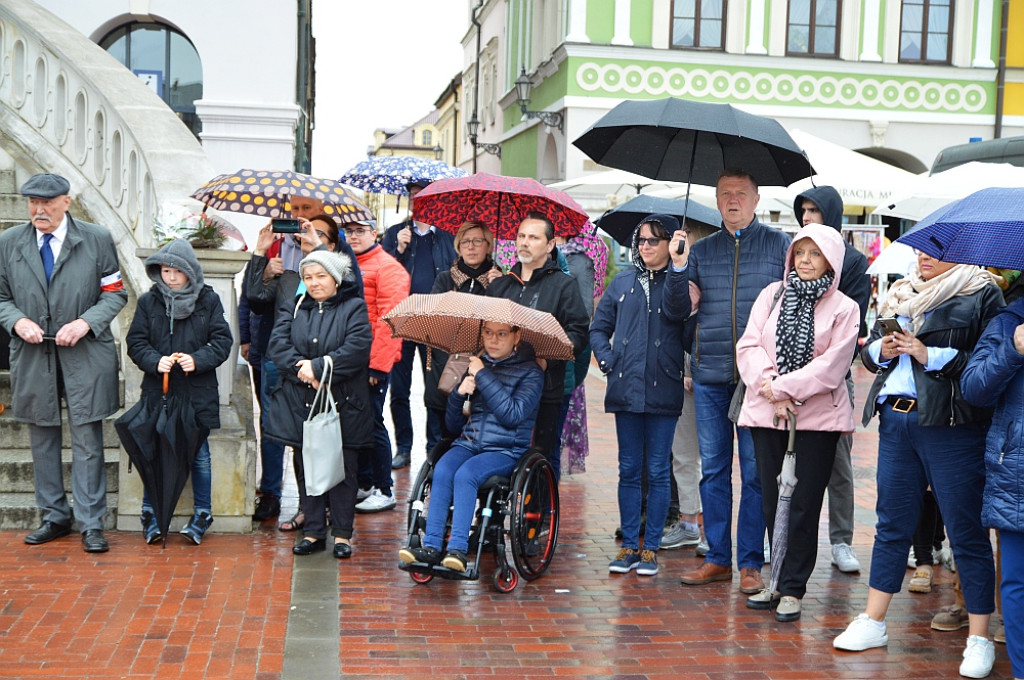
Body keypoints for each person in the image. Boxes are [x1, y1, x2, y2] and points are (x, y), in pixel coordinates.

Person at [833, 250, 1003, 680]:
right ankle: (873, 622)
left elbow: (990, 366)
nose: (925, 256)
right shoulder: (900, 291)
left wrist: (931, 355)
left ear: (961, 252)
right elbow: (868, 355)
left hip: (951, 424)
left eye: (938, 250)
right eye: (922, 248)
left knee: (965, 530)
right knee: (891, 524)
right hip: (897, 419)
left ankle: (980, 636)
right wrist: (884, 348)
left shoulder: (981, 293)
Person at [735, 223, 860, 622]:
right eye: (800, 253)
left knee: (805, 504)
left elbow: (833, 366)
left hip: (817, 420)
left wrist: (783, 387)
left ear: (831, 260)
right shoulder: (772, 295)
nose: (805, 261)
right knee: (773, 502)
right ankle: (776, 580)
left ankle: (793, 588)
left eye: (815, 253)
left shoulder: (845, 307)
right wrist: (768, 384)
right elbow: (749, 344)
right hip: (768, 412)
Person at [674, 169, 790, 595]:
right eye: (725, 194)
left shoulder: (780, 246)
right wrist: (679, 270)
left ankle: (750, 563)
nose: (733, 200)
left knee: (757, 472)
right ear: (716, 200)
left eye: (741, 193)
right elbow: (677, 310)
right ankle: (718, 557)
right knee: (714, 469)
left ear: (757, 199)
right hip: (710, 373)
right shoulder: (701, 251)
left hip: (758, 379)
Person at [0, 173, 127, 553]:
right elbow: (0, 295)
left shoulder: (97, 239)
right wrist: (16, 320)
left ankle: (91, 524)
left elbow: (115, 293)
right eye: (33, 203)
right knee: (41, 435)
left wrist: (86, 322)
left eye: (48, 203)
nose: (39, 210)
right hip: (33, 353)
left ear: (66, 202)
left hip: (85, 352)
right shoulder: (9, 242)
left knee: (88, 437)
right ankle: (54, 515)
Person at [246, 196, 361, 523]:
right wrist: (260, 257)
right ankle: (288, 501)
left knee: (320, 437)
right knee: (284, 432)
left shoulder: (335, 266)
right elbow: (255, 300)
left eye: (307, 214)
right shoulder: (284, 261)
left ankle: (320, 511)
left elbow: (353, 291)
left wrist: (317, 249)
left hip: (323, 363)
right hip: (284, 361)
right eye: (293, 212)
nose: (299, 221)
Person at [398, 321, 544, 572]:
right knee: (442, 469)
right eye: (487, 333)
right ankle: (431, 546)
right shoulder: (476, 364)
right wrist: (458, 394)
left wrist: (483, 375)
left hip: (506, 450)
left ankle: (457, 549)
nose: (493, 340)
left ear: (516, 336)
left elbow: (512, 415)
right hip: (470, 442)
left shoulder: (531, 373)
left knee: (466, 475)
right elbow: (453, 426)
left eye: (501, 334)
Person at [590, 214, 691, 577]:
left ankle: (651, 547)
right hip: (626, 387)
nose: (645, 246)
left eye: (654, 240)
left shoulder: (680, 282)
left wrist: (680, 271)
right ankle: (629, 544)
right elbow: (599, 327)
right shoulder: (622, 282)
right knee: (629, 469)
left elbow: (683, 319)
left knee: (658, 470)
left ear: (669, 244)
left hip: (663, 385)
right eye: (642, 240)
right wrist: (607, 358)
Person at [264, 250, 372, 558]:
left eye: (321, 276)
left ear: (336, 279)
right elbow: (278, 345)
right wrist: (304, 369)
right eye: (308, 277)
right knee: (305, 466)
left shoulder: (354, 307)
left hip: (344, 402)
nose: (314, 283)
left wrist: (321, 368)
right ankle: (312, 530)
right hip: (301, 400)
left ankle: (342, 533)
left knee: (344, 469)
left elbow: (357, 348)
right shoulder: (293, 306)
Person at [125, 239, 232, 545]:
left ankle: (202, 513)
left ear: (190, 273)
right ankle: (151, 513)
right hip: (159, 392)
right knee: (153, 452)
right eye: (165, 271)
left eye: (176, 272)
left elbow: (222, 341)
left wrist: (196, 359)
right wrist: (153, 361)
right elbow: (136, 342)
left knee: (199, 455)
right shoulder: (149, 302)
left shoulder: (209, 300)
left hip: (197, 393)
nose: (170, 277)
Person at [793, 186, 872, 575]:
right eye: (803, 211)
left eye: (814, 211)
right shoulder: (793, 256)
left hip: (835, 376)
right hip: (791, 377)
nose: (807, 217)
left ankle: (841, 540)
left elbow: (854, 322)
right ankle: (785, 536)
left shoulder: (854, 263)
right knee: (787, 460)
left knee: (838, 463)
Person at [487, 213, 590, 477]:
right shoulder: (501, 285)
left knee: (543, 454)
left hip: (546, 387)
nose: (524, 242)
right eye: (521, 236)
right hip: (503, 385)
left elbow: (578, 333)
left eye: (533, 237)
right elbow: (483, 330)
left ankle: (544, 516)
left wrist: (549, 357)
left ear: (550, 244)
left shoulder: (563, 286)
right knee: (501, 450)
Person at [961, 296, 1024, 680]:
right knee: (1017, 581)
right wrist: (1014, 350)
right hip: (1017, 470)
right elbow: (974, 388)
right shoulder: (1009, 321)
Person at [382, 180, 457, 469]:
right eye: (413, 197)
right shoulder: (394, 234)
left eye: (424, 196)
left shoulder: (448, 236)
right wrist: (399, 249)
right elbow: (385, 275)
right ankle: (403, 447)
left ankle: (434, 447)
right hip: (403, 321)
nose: (418, 201)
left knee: (435, 389)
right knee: (399, 390)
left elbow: (454, 273)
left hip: (436, 322)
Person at [345, 220, 410, 513]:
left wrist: (378, 366)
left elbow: (391, 320)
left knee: (372, 421)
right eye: (348, 230)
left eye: (360, 230)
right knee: (357, 424)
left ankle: (385, 488)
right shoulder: (347, 263)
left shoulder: (389, 267)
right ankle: (366, 482)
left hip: (371, 361)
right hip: (350, 358)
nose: (353, 236)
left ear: (374, 234)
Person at [664, 219, 718, 552]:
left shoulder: (716, 275)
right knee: (683, 454)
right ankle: (688, 522)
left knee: (714, 458)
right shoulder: (676, 273)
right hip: (682, 371)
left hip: (713, 372)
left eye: (690, 242)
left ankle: (714, 530)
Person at [423, 221, 502, 440]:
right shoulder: (445, 279)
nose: (471, 247)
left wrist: (499, 287)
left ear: (489, 245)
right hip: (444, 370)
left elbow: (503, 325)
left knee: (472, 438)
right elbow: (436, 321)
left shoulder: (502, 281)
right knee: (438, 440)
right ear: (458, 247)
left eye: (478, 241)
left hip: (483, 371)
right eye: (465, 242)